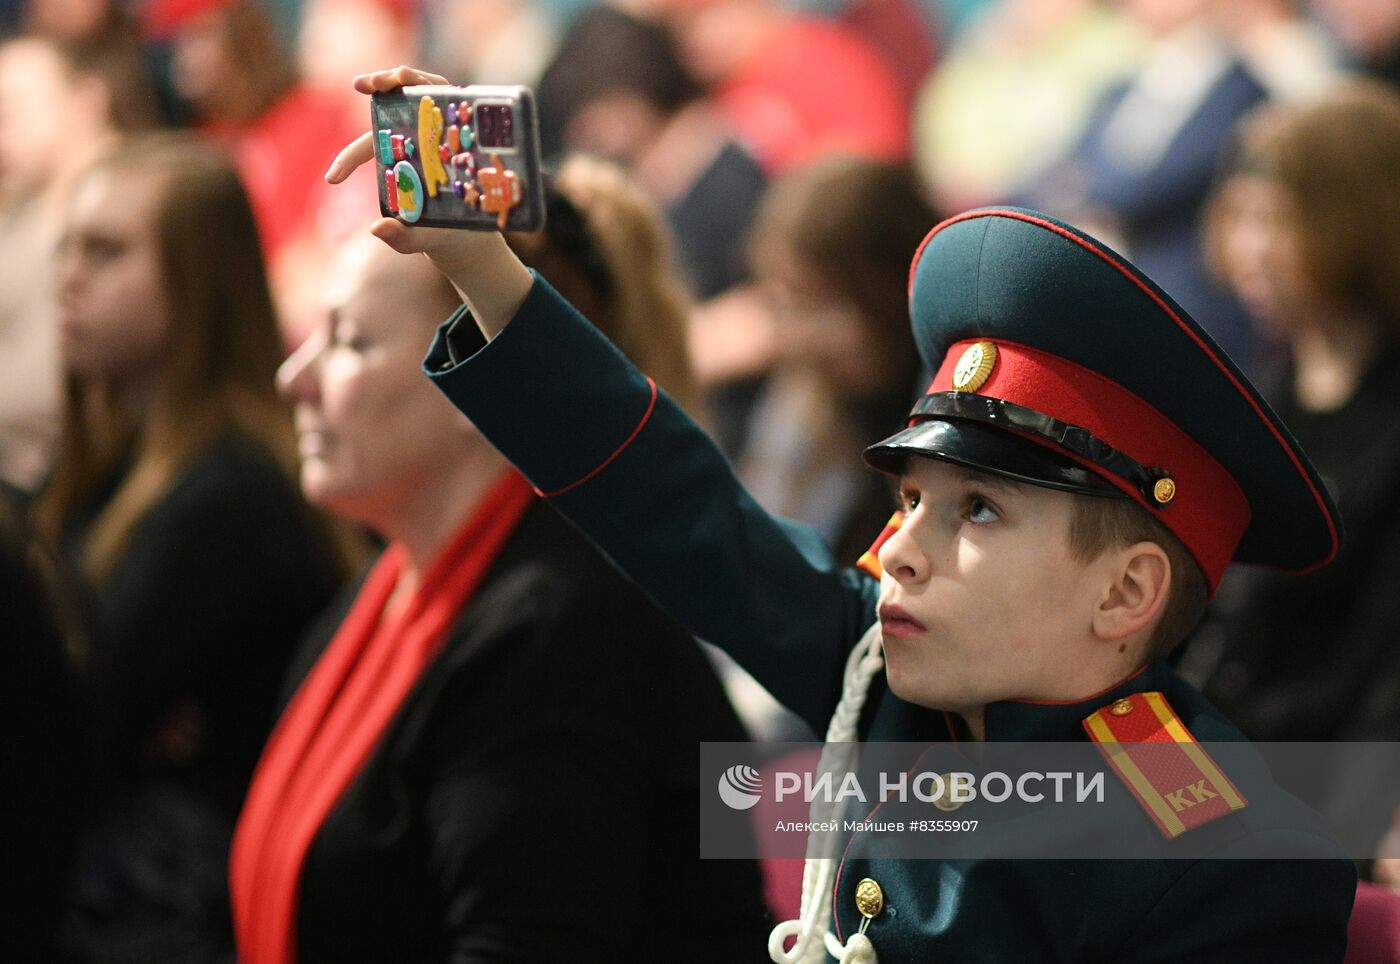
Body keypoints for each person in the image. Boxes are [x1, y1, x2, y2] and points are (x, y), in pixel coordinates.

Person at [329, 66, 1357, 962]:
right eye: (909, 499)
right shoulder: (896, 684)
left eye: (979, 512)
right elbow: (676, 501)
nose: (895, 549)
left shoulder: (1219, 856)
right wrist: (476, 263)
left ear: (1124, 591)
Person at [229, 162, 769, 962]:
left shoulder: (559, 632)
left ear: (476, 376)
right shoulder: (389, 594)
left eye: (347, 341)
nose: (293, 378)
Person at [36, 134, 346, 958]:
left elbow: (61, 726)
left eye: (104, 253)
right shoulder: (107, 467)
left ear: (198, 282)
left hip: (190, 897)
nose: (67, 279)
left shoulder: (232, 490)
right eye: (67, 247)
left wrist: (105, 723)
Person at [1179, 82, 1400, 747]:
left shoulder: (1386, 424)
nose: (1251, 251)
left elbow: (1379, 669)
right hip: (1218, 743)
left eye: (1279, 220)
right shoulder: (1257, 399)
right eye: (1241, 216)